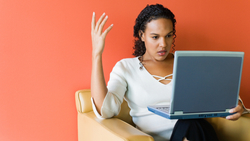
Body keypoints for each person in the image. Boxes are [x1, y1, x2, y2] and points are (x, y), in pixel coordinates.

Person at [90, 4, 249, 141]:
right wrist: (97, 55)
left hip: (197, 132)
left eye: (168, 36)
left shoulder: (188, 64)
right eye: (155, 37)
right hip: (162, 137)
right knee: (189, 124)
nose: (163, 44)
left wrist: (237, 106)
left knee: (192, 124)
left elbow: (221, 96)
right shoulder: (126, 67)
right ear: (142, 35)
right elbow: (106, 111)